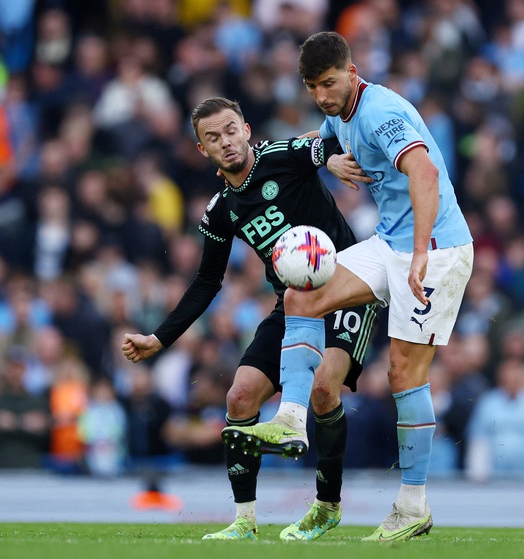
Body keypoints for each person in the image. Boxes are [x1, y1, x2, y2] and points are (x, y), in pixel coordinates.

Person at [224, 31, 474, 542]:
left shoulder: (380, 111)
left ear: (352, 72)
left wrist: (422, 251)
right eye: (313, 86)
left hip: (438, 250)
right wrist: (329, 159)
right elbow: (318, 145)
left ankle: (412, 504)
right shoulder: (339, 113)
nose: (322, 95)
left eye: (330, 83)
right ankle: (292, 417)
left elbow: (423, 172)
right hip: (389, 241)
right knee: (301, 294)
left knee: (404, 372)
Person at [121, 97, 377, 541]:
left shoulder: (280, 156)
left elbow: (324, 139)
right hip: (292, 304)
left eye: (231, 130)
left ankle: (327, 506)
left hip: (348, 290)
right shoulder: (221, 210)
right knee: (239, 399)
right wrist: (159, 339)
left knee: (322, 391)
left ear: (246, 128)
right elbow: (206, 283)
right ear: (203, 150)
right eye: (213, 138)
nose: (226, 142)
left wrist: (333, 161)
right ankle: (244, 521)